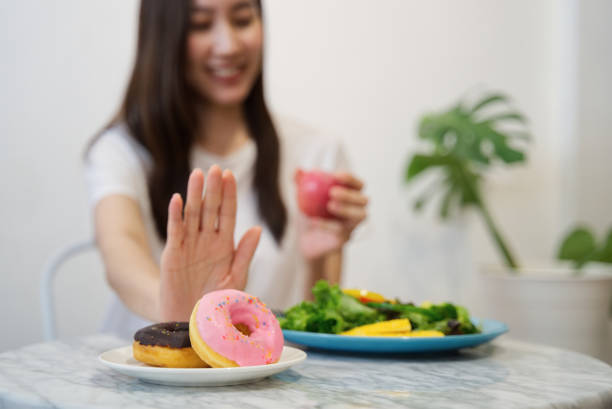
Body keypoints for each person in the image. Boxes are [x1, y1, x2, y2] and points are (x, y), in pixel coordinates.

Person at [84, 0, 368, 339]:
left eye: (243, 19)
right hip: (147, 375)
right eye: (201, 24)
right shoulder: (122, 150)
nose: (229, 45)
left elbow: (317, 331)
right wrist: (175, 308)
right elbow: (120, 253)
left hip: (260, 380)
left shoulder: (317, 152)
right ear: (163, 37)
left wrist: (320, 258)